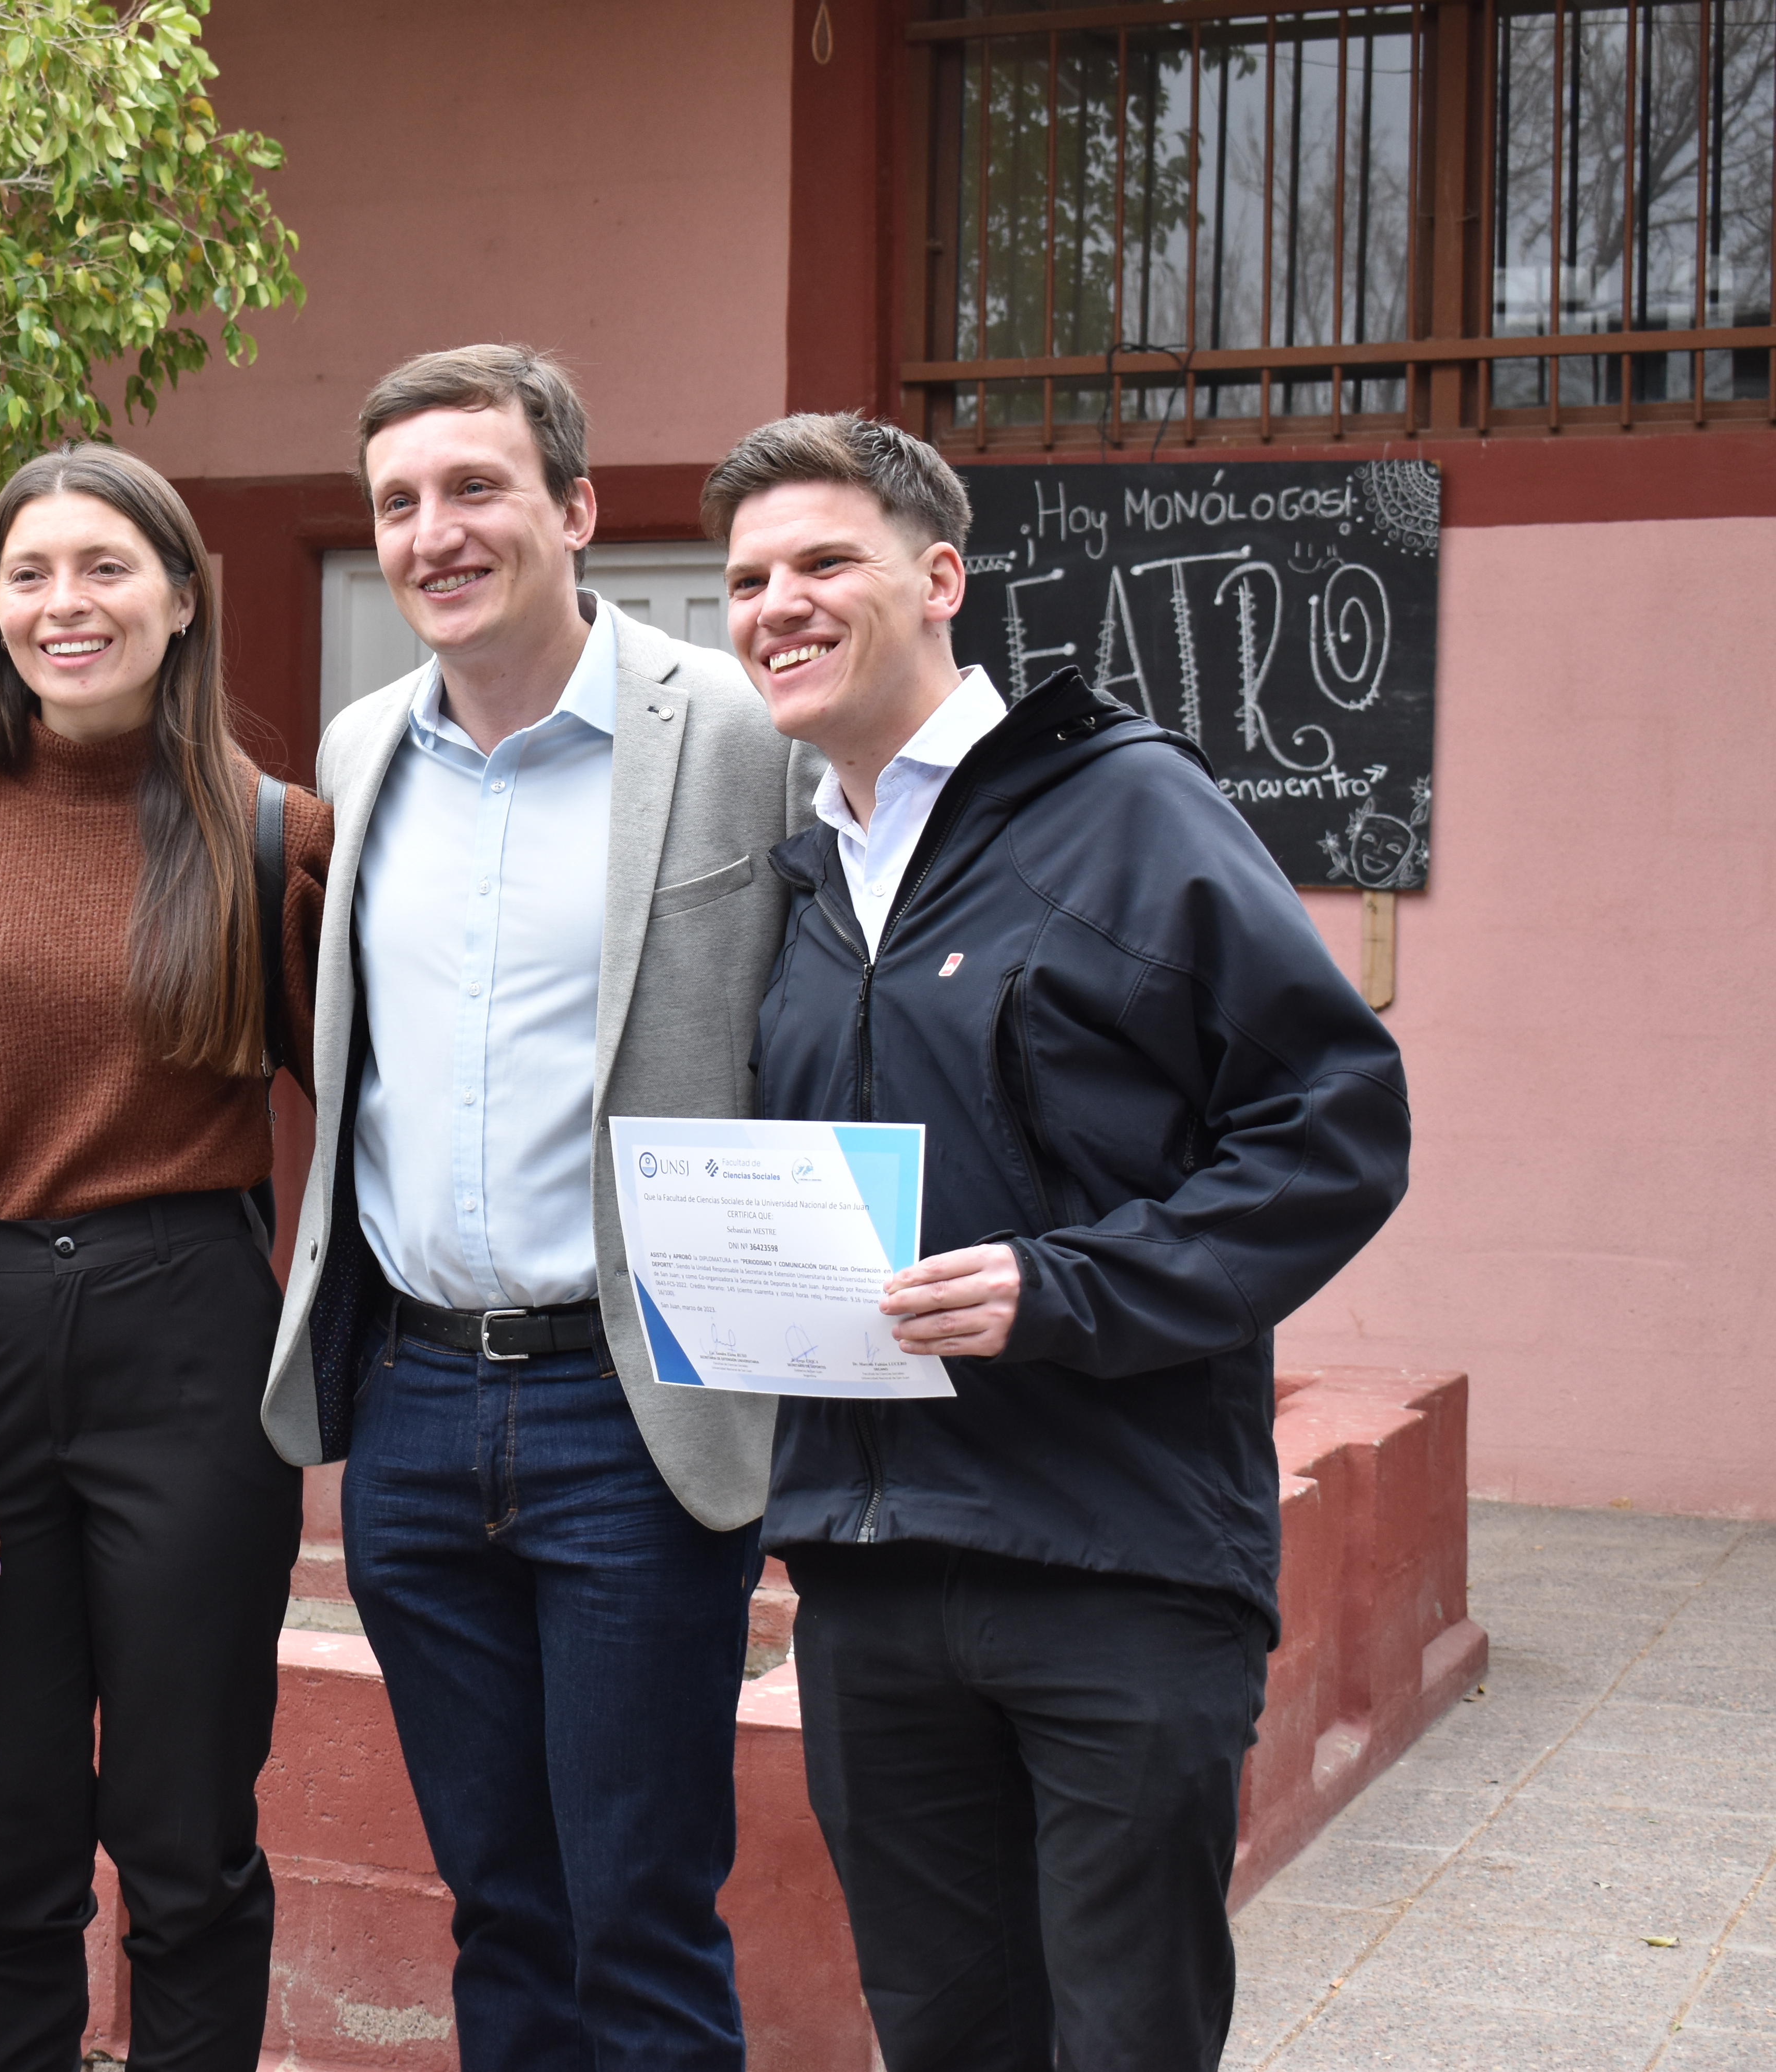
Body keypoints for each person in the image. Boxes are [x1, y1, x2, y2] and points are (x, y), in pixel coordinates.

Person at [710, 411, 1411, 2071]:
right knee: (943, 2035)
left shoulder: (1130, 812)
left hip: (1120, 1563)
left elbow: (1335, 1120)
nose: (776, 604)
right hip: (871, 1579)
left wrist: (1066, 1288)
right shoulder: (797, 884)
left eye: (824, 561)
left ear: (941, 576)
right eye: (744, 580)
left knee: (1124, 2042)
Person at [256, 346, 811, 2066]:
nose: (436, 533)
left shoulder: (729, 729)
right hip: (414, 1414)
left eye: (476, 488)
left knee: (640, 1912)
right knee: (499, 1906)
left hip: (631, 1406)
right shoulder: (363, 754)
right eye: (400, 504)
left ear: (574, 510)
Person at [0, 443, 327, 2072]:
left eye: (104, 568)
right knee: (3, 1846)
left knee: (188, 1846)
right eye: (28, 575)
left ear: (181, 601)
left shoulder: (273, 838)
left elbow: (388, 1114)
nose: (63, 604)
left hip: (196, 1350)